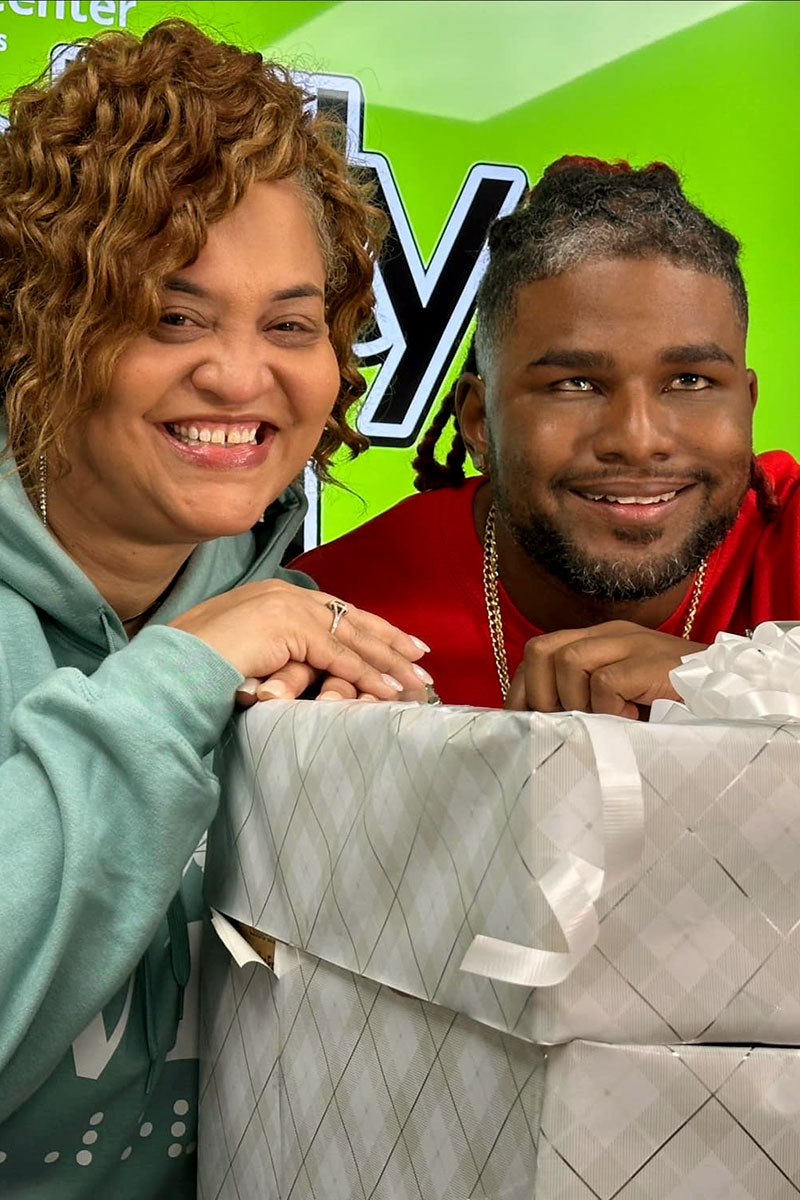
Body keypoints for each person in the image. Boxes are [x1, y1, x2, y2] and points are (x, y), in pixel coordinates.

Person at [0, 20, 433, 1199]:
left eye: (290, 324)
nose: (244, 379)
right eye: (172, 317)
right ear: (39, 324)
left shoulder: (300, 629)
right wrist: (181, 676)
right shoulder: (222, 643)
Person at [294, 156, 800, 712]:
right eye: (575, 383)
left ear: (748, 403)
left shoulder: (789, 535)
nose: (637, 439)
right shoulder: (340, 610)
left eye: (689, 380)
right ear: (479, 422)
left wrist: (727, 682)